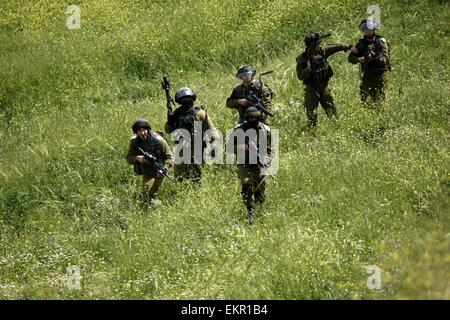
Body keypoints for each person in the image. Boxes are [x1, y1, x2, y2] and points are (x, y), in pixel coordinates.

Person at [296, 32, 352, 128]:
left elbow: (333, 47)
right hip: (311, 88)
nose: (320, 45)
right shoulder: (303, 58)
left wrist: (345, 47)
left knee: (331, 109)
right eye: (317, 44)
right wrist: (308, 67)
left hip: (324, 86)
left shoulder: (322, 51)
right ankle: (312, 132)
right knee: (311, 112)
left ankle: (336, 127)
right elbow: (300, 76)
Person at [229, 107, 272, 225]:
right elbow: (230, 147)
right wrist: (242, 148)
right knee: (246, 186)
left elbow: (270, 150)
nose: (252, 120)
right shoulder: (238, 130)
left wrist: (264, 162)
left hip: (260, 165)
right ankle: (250, 211)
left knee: (260, 190)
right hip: (244, 164)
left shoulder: (265, 130)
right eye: (249, 118)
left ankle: (260, 211)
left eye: (254, 118)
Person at [165, 87, 216, 183]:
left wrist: (213, 147)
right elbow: (168, 130)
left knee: (197, 178)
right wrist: (170, 121)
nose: (186, 100)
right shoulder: (176, 113)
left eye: (188, 98)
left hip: (198, 149)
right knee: (180, 178)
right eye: (183, 99)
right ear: (179, 101)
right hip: (181, 150)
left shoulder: (200, 113)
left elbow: (211, 131)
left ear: (193, 98)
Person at [126, 119, 173, 205]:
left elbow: (170, 157)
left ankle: (160, 206)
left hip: (160, 170)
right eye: (139, 131)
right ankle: (154, 206)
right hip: (147, 172)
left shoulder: (159, 141)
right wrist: (137, 158)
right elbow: (128, 158)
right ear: (136, 132)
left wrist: (165, 168)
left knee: (150, 193)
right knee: (146, 193)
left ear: (148, 129)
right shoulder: (134, 143)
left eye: (144, 130)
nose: (142, 133)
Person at [348, 19, 391, 107]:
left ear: (374, 29)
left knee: (380, 100)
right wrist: (359, 59)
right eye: (365, 29)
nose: (367, 31)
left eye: (369, 28)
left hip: (380, 75)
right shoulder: (362, 42)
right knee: (364, 99)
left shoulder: (381, 42)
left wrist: (375, 57)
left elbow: (385, 60)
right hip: (367, 74)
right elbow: (350, 58)